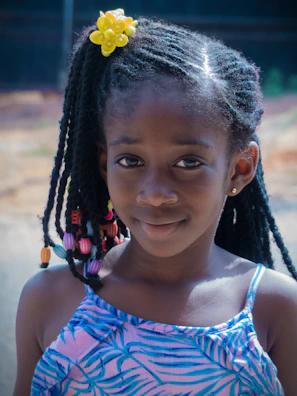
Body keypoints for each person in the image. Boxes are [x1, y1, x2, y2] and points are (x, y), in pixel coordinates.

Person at [13, 8, 297, 396]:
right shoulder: (50, 299)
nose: (156, 192)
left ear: (239, 169)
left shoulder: (275, 307)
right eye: (131, 161)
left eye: (189, 162)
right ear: (103, 163)